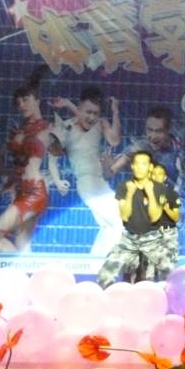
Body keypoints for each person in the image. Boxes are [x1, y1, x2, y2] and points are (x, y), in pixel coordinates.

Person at [48, 86, 123, 256]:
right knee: (119, 220)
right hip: (87, 183)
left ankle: (94, 261)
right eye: (88, 112)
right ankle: (99, 263)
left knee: (109, 225)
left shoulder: (99, 124)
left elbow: (114, 140)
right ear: (79, 108)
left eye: (96, 113)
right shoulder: (65, 128)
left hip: (100, 181)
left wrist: (115, 112)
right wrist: (58, 181)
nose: (92, 117)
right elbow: (52, 159)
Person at [0, 67, 52, 252]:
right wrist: (7, 178)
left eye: (26, 100)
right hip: (22, 191)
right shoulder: (20, 130)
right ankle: (28, 270)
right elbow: (3, 159)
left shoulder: (47, 128)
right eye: (18, 102)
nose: (21, 105)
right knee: (23, 245)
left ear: (37, 101)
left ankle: (18, 269)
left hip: (34, 191)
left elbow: (51, 145)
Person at [97, 151, 175, 288]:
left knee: (158, 275)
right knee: (106, 275)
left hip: (153, 242)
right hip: (131, 240)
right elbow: (126, 216)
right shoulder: (129, 188)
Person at [104, 106, 185, 191]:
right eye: (149, 130)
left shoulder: (181, 146)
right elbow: (114, 170)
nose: (153, 136)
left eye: (158, 131)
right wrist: (109, 168)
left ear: (168, 130)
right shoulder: (141, 146)